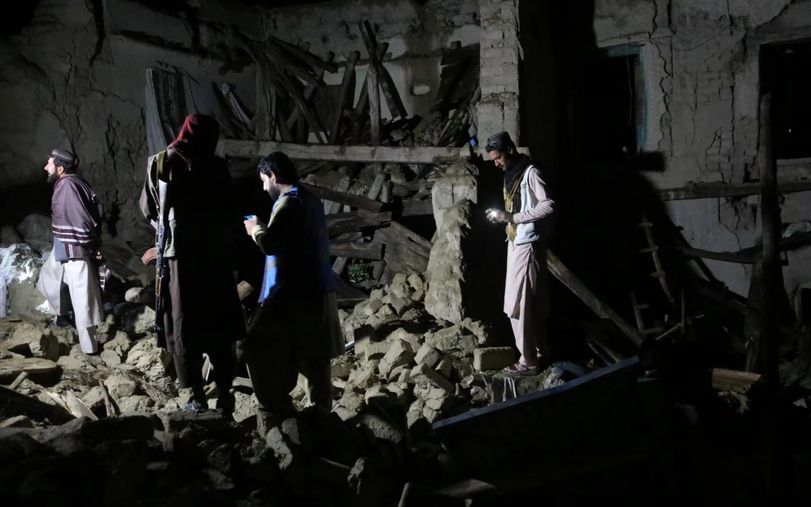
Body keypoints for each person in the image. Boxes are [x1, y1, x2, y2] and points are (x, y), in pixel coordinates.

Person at [139, 114, 245, 413]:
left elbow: (148, 208)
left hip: (179, 260)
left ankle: (197, 396)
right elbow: (230, 210)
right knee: (218, 322)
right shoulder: (216, 166)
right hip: (213, 258)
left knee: (185, 324)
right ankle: (224, 393)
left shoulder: (161, 162)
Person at [242, 152, 342, 425]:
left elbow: (271, 245)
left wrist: (255, 230)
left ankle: (281, 412)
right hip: (317, 290)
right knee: (314, 359)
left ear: (273, 176)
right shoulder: (310, 199)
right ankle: (321, 421)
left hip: (292, 296)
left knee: (259, 348)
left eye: (264, 180)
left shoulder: (289, 202)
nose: (264, 187)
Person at [484, 131, 555, 375]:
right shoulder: (512, 175)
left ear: (510, 150)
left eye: (498, 158)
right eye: (493, 159)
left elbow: (548, 205)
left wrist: (514, 217)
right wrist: (506, 219)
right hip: (515, 243)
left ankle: (528, 361)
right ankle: (537, 353)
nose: (496, 163)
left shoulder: (531, 172)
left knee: (520, 306)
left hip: (527, 244)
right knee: (519, 304)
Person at [36, 148, 104, 354]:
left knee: (82, 300)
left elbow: (81, 219)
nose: (45, 167)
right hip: (64, 246)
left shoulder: (68, 186)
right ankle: (62, 317)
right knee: (48, 278)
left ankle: (90, 349)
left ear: (60, 168)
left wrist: (90, 246)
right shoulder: (71, 182)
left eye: (49, 164)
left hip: (76, 249)